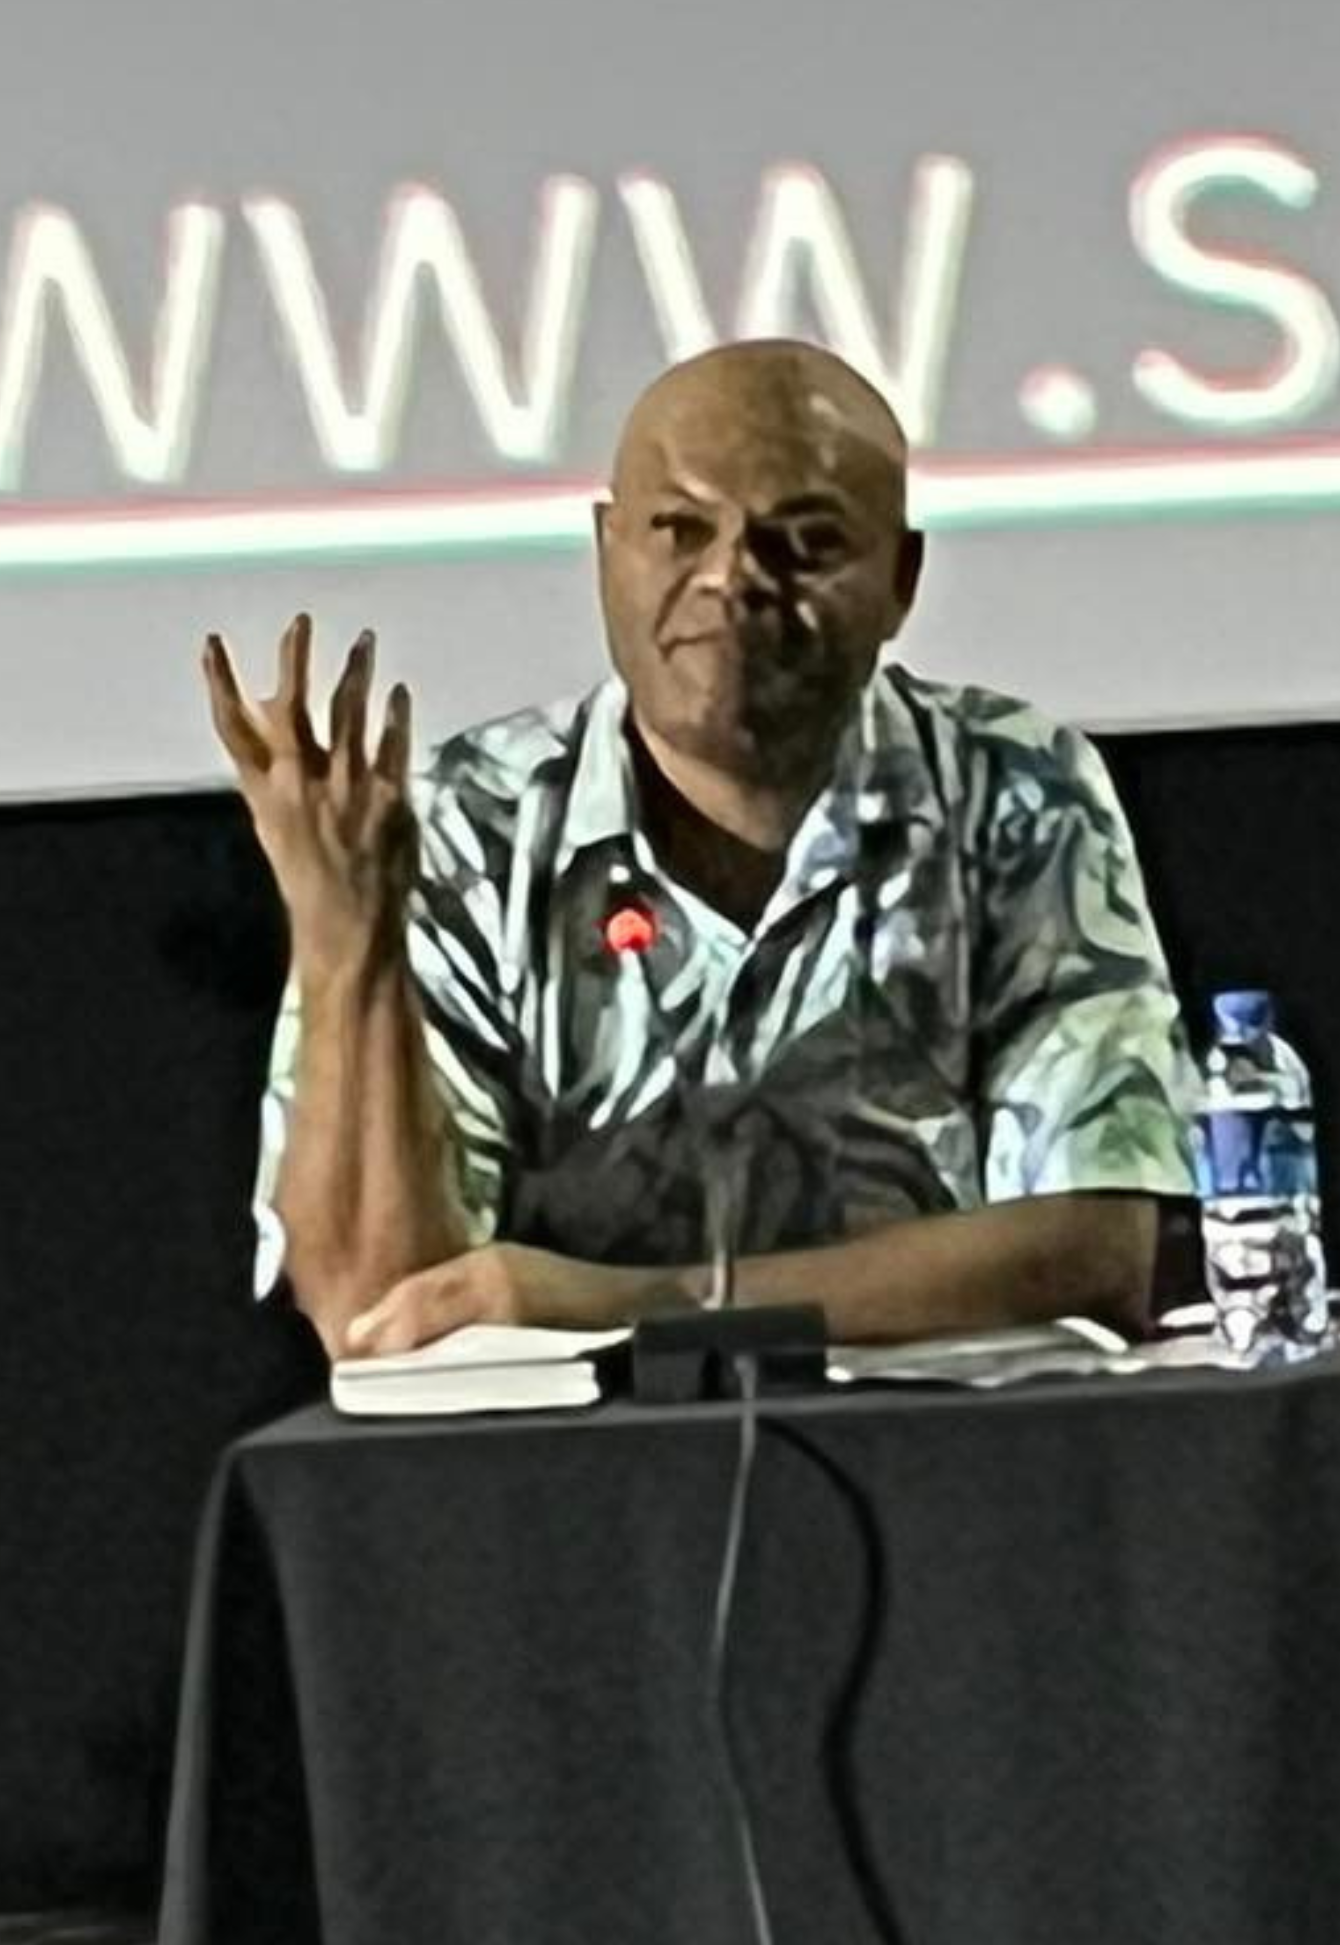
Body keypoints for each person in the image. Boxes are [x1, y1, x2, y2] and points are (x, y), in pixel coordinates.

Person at [210, 339, 1197, 1359]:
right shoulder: (467, 826)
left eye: (804, 542)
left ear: (901, 581)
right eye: (679, 530)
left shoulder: (1014, 789)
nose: (730, 578)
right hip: (564, 1482)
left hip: (942, 1458)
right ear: (606, 548)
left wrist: (630, 1308)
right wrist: (347, 951)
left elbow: (1093, 1251)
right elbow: (382, 1313)